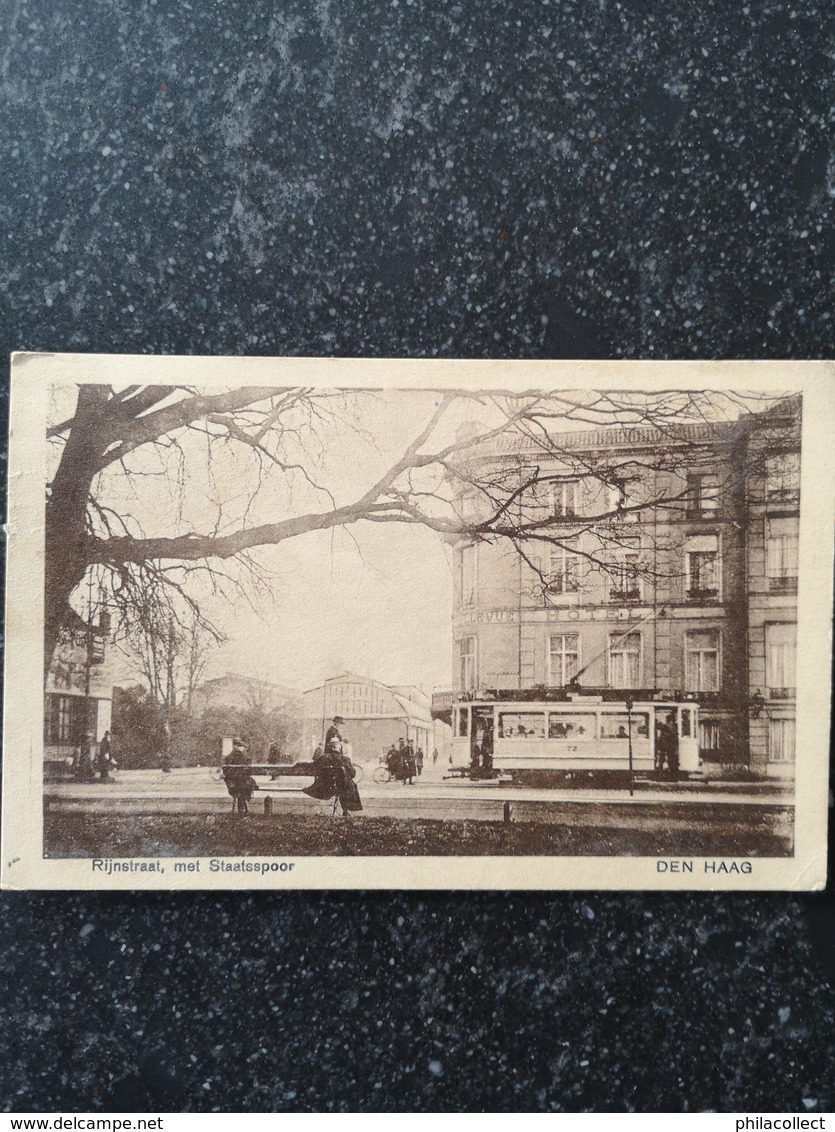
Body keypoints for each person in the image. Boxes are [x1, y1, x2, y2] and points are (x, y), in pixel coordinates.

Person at [303, 743, 362, 815]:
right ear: (340, 749)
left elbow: (314, 767)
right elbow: (353, 774)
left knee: (339, 787)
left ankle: (326, 811)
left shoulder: (323, 758)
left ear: (331, 748)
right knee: (343, 787)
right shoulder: (345, 759)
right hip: (343, 786)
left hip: (327, 786)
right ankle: (345, 810)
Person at [222, 738, 258, 815]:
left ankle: (242, 810)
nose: (242, 749)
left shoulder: (229, 757)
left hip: (233, 784)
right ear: (236, 746)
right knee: (245, 787)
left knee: (243, 789)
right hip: (239, 784)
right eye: (241, 747)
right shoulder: (244, 757)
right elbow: (249, 771)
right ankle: (243, 810)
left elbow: (226, 773)